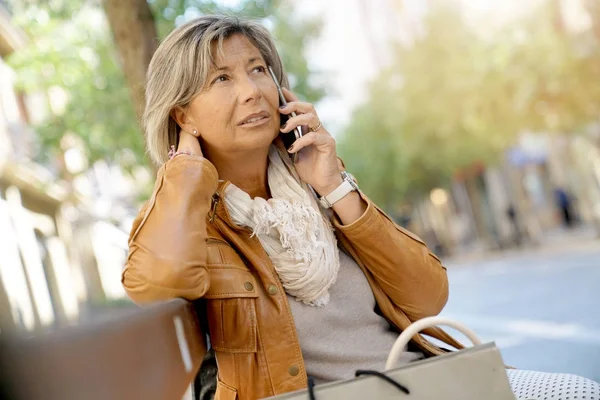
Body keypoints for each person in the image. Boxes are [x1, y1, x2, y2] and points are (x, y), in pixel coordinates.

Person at [122, 15, 600, 400]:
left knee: (574, 392)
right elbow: (158, 282)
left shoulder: (319, 186)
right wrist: (186, 171)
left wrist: (333, 185)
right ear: (182, 114)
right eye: (221, 78)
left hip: (422, 383)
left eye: (258, 69)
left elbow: (428, 297)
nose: (250, 90)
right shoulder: (189, 219)